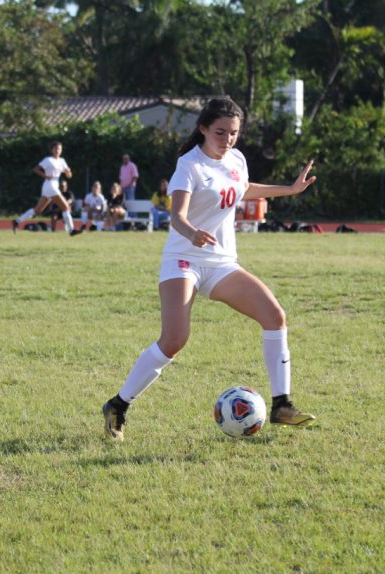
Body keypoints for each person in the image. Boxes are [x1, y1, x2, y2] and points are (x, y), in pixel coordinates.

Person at [101, 98, 317, 441]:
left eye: (233, 133)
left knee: (275, 316)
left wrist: (289, 189)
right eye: (220, 132)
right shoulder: (189, 165)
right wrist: (191, 233)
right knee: (175, 339)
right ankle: (118, 404)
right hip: (183, 260)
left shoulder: (236, 159)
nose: (228, 139)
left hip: (220, 264)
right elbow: (177, 215)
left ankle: (282, 405)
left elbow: (243, 190)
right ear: (203, 128)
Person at [12, 141, 81, 236]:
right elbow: (36, 169)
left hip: (54, 185)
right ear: (52, 150)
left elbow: (69, 175)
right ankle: (71, 230)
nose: (58, 150)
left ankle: (17, 221)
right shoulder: (48, 160)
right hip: (49, 185)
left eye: (60, 149)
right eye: (56, 148)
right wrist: (45, 176)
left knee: (37, 210)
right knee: (66, 207)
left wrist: (68, 172)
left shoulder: (62, 161)